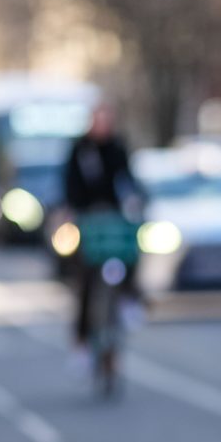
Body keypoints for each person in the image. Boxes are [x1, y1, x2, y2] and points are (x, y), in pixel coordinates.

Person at [61, 104, 142, 349]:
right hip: (87, 220)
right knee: (85, 276)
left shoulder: (117, 148)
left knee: (130, 252)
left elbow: (127, 180)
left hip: (114, 220)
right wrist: (72, 210)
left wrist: (133, 201)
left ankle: (130, 297)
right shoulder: (80, 151)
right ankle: (83, 339)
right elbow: (70, 185)